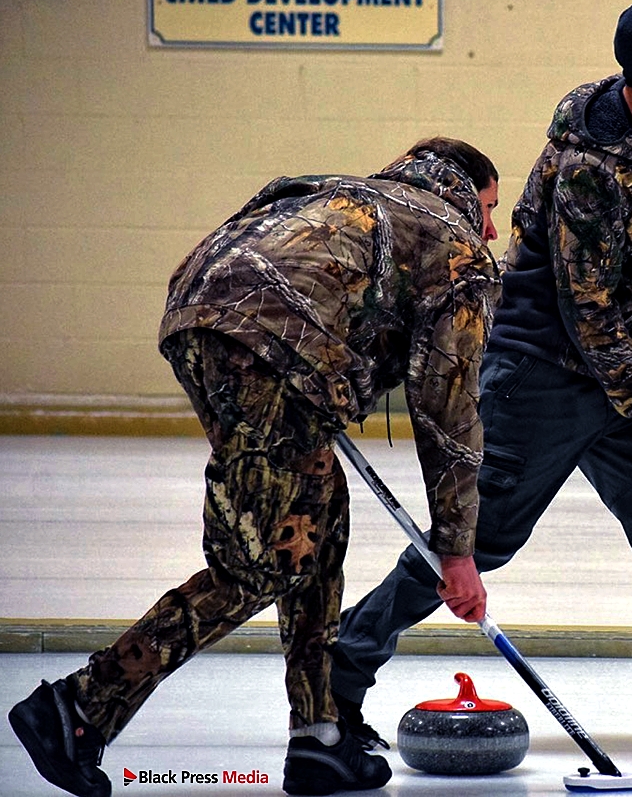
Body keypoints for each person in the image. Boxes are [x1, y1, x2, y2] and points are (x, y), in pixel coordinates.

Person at [329, 0, 632, 752]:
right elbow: (588, 311)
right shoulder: (587, 168)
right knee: (479, 538)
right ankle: (340, 671)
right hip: (540, 372)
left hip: (615, 365)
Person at [7, 137, 502, 797]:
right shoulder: (455, 242)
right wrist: (457, 550)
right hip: (276, 353)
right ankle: (79, 707)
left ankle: (319, 737)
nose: (492, 227)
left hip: (196, 317)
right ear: (463, 191)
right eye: (489, 206)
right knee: (264, 561)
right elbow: (448, 406)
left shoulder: (342, 191)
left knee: (312, 526)